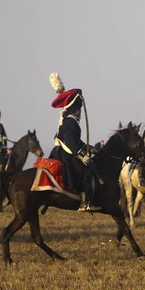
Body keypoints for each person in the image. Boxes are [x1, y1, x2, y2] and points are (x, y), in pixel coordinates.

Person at [49, 74, 98, 211]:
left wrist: (88, 147)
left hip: (65, 151)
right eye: (78, 109)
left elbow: (76, 141)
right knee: (85, 171)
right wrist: (82, 155)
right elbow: (70, 142)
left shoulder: (70, 121)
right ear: (74, 109)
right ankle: (85, 202)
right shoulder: (70, 122)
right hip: (65, 153)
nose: (80, 112)